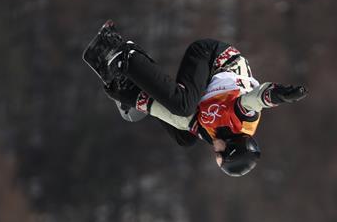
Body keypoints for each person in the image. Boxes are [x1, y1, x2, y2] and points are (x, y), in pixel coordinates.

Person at [99, 30, 307, 177]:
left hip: (205, 86)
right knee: (184, 106)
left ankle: (135, 85)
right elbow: (259, 98)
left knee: (185, 138)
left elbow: (179, 121)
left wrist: (129, 97)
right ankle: (127, 56)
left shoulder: (209, 133)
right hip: (212, 57)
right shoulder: (242, 119)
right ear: (231, 147)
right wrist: (283, 95)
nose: (214, 152)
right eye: (219, 154)